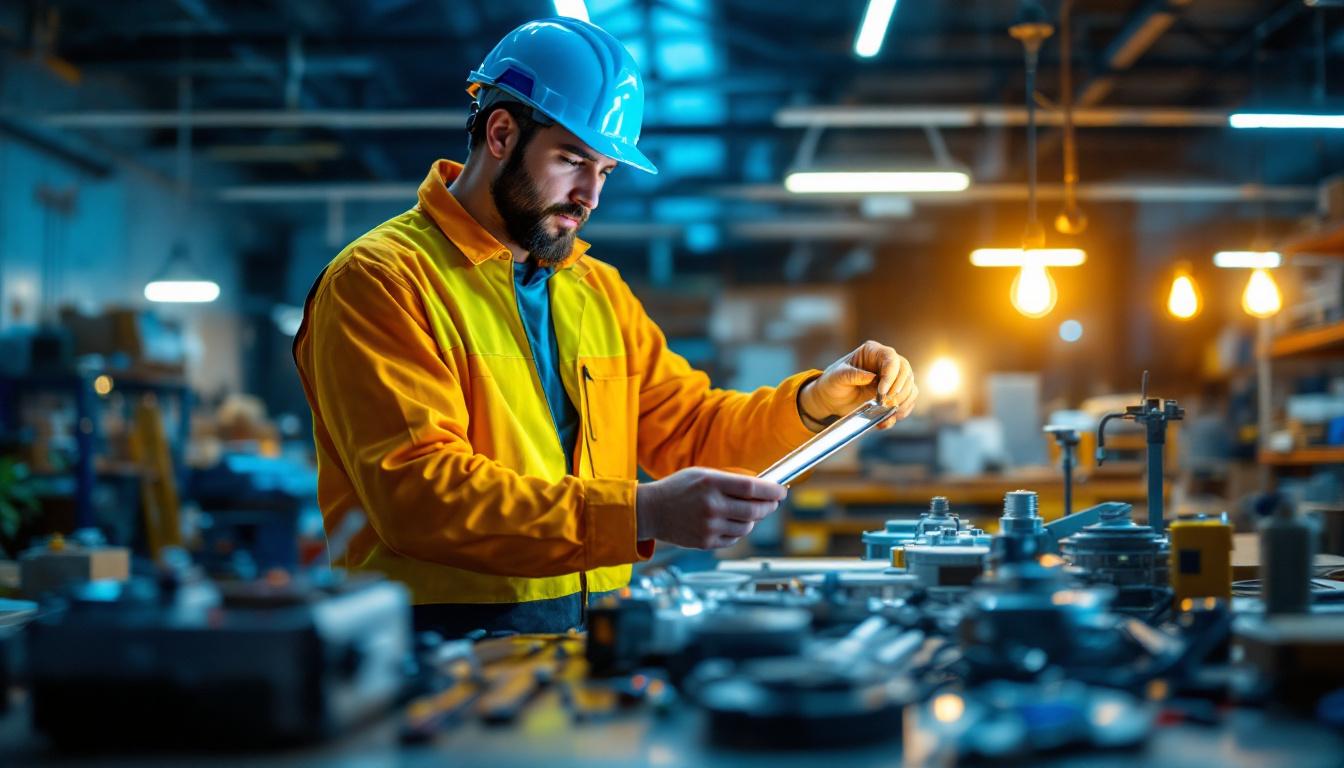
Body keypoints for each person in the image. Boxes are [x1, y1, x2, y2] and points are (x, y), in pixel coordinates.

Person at [293, 17, 918, 637]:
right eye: (572, 161)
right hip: (433, 643)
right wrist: (640, 514)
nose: (590, 195)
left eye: (606, 172)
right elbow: (420, 499)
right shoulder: (382, 280)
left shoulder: (594, 290)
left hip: (585, 636)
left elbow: (693, 430)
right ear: (502, 133)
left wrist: (815, 404)